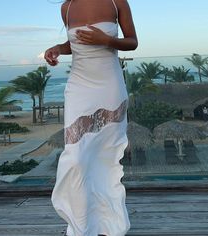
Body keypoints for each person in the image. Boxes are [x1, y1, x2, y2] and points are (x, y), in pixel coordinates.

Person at [44, 0, 138, 235]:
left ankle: (108, 223)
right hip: (79, 85)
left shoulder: (117, 2)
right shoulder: (66, 7)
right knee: (75, 156)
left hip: (109, 85)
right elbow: (74, 44)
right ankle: (82, 224)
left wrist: (107, 41)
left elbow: (132, 42)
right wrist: (57, 47)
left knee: (106, 155)